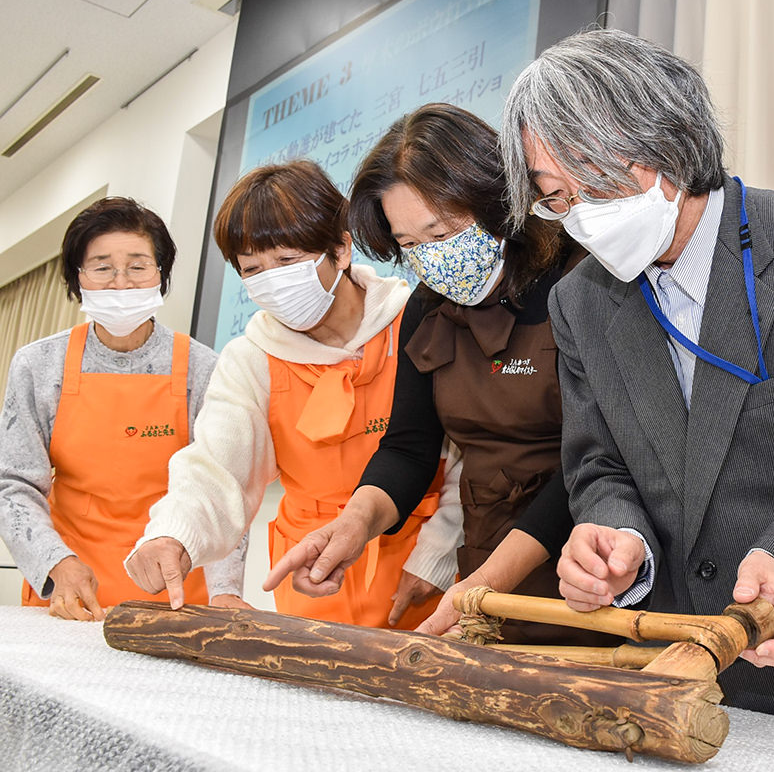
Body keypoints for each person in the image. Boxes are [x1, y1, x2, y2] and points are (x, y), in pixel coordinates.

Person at [497, 28, 774, 726]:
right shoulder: (580, 302)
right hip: (676, 668)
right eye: (559, 197)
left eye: (601, 179)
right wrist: (616, 538)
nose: (586, 214)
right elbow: (600, 466)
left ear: (670, 139)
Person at [263, 105, 600, 643]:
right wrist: (354, 525)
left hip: (593, 567)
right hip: (489, 562)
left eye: (442, 231)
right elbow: (409, 449)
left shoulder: (584, 283)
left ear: (498, 201)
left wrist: (487, 585)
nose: (433, 259)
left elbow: (595, 462)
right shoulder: (427, 310)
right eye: (411, 245)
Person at [125, 161, 453, 629]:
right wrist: (171, 534)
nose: (272, 281)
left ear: (340, 248)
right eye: (252, 270)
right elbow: (216, 466)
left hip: (423, 565)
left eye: (286, 260)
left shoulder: (417, 321)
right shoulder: (251, 358)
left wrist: (437, 555)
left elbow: (467, 456)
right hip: (311, 571)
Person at [0, 197, 245, 620]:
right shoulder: (39, 366)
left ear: (161, 275)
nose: (121, 283)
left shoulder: (204, 368)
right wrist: (56, 562)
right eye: (101, 267)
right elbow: (13, 484)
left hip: (176, 593)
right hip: (71, 593)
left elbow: (224, 489)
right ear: (77, 279)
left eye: (137, 266)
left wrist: (225, 592)